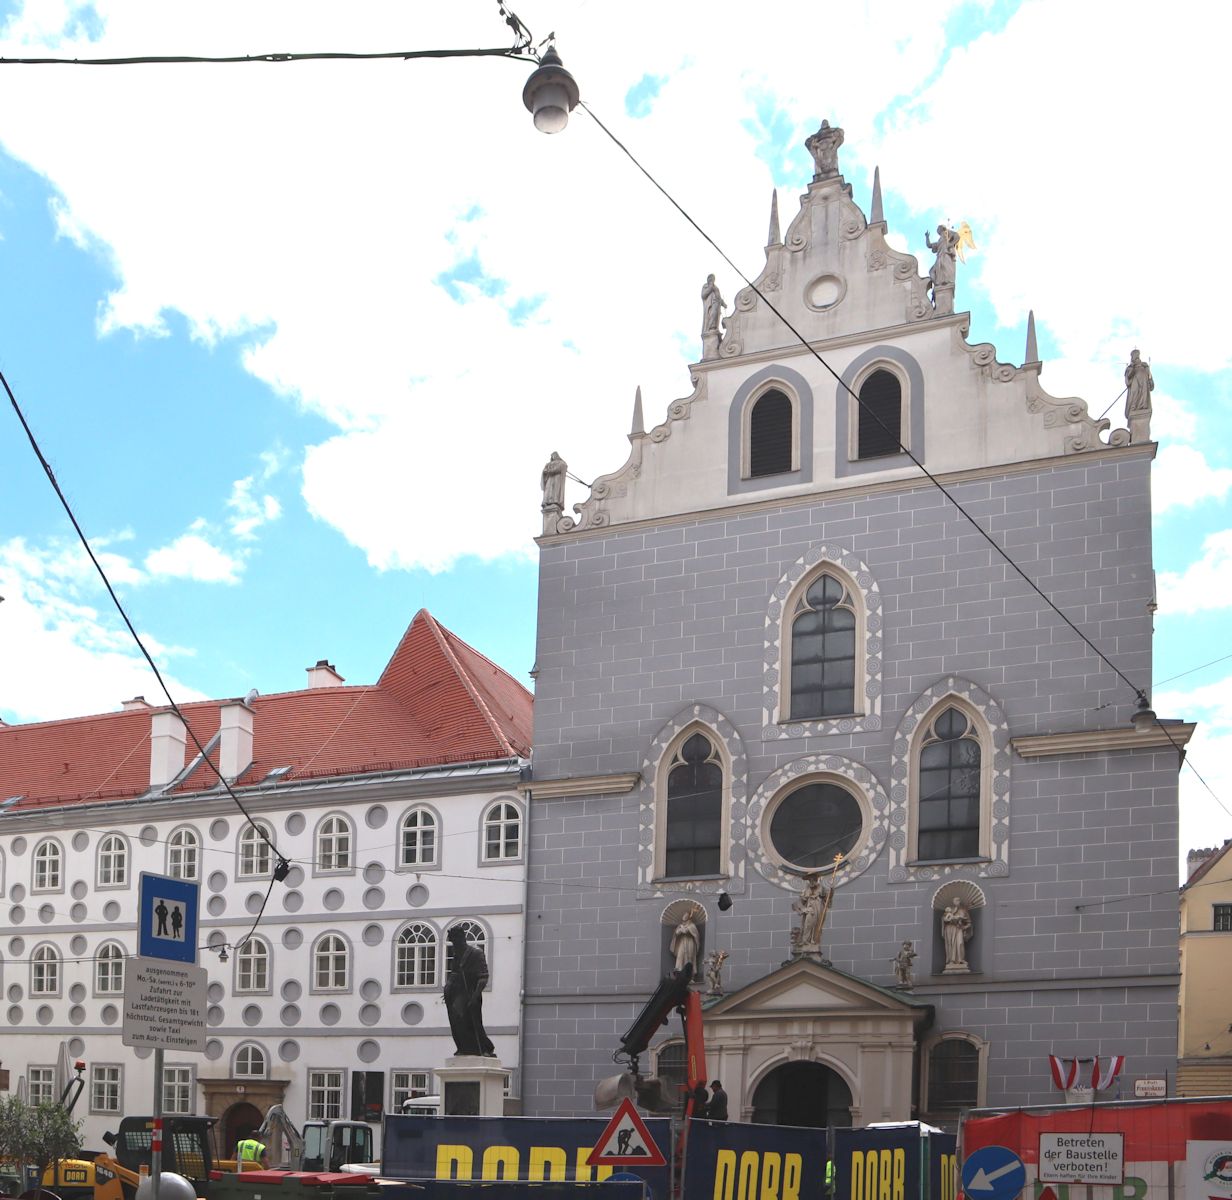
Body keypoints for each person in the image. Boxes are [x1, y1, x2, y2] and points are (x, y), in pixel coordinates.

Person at [443, 926, 496, 1057]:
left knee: (473, 1022)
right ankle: (464, 1047)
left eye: (455, 941)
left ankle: (484, 1048)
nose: (453, 944)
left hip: (472, 992)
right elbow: (454, 974)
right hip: (457, 994)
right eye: (452, 942)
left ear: (462, 938)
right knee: (456, 1021)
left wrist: (474, 996)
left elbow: (483, 977)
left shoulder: (475, 953)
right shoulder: (456, 955)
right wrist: (448, 987)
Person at [942, 896, 973, 970]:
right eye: (956, 900)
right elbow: (944, 919)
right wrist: (950, 919)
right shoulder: (949, 910)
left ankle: (961, 959)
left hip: (959, 929)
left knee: (960, 943)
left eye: (958, 900)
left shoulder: (963, 911)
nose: (957, 901)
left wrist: (964, 927)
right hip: (950, 929)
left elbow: (969, 923)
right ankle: (951, 961)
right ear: (953, 901)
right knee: (951, 944)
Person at [670, 907, 701, 977]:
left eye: (686, 915)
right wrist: (679, 930)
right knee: (680, 956)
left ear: (688, 918)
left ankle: (690, 975)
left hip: (690, 942)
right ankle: (679, 972)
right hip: (682, 942)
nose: (684, 916)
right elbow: (676, 933)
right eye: (684, 915)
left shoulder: (692, 925)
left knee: (689, 957)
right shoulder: (680, 925)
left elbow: (690, 932)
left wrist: (683, 929)